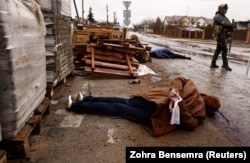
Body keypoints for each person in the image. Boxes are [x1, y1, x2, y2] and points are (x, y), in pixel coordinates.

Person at [66, 76, 221, 137]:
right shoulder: (199, 111)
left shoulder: (193, 89)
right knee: (119, 108)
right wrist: (177, 97)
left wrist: (177, 98)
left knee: (121, 102)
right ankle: (76, 105)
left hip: (152, 103)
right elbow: (189, 123)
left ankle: (84, 99)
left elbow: (179, 79)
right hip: (154, 114)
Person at [211, 3, 233, 71]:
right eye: (223, 9)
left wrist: (229, 32)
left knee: (218, 50)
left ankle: (213, 63)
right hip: (220, 35)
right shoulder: (218, 16)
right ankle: (225, 65)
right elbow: (225, 24)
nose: (225, 10)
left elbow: (227, 25)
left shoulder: (224, 17)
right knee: (225, 49)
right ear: (220, 9)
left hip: (223, 35)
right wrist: (231, 24)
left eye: (225, 9)